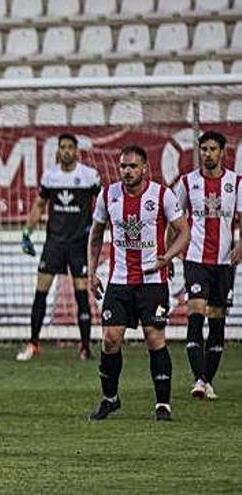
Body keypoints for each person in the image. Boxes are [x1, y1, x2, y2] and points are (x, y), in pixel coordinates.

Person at [87, 145, 190, 422]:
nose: (127, 171)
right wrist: (91, 273)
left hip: (152, 280)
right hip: (119, 280)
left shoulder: (161, 195)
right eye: (123, 166)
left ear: (144, 168)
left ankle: (163, 405)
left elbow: (184, 231)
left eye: (133, 166)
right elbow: (95, 235)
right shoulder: (108, 195)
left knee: (154, 337)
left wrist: (166, 258)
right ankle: (110, 399)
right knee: (110, 340)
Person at [18, 134, 101, 361]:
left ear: (76, 152)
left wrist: (99, 232)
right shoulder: (50, 176)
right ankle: (33, 343)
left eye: (70, 148)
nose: (66, 151)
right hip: (54, 242)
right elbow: (39, 204)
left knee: (81, 293)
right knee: (41, 291)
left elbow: (103, 203)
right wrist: (27, 232)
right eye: (62, 147)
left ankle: (85, 347)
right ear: (58, 151)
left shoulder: (88, 176)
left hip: (78, 244)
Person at [173, 131, 241, 401]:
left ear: (223, 152)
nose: (208, 154)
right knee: (196, 311)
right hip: (196, 258)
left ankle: (207, 379)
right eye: (203, 149)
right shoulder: (187, 182)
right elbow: (174, 220)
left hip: (224, 261)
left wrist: (240, 245)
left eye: (213, 149)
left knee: (217, 318)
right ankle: (199, 379)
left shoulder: (235, 182)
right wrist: (168, 254)